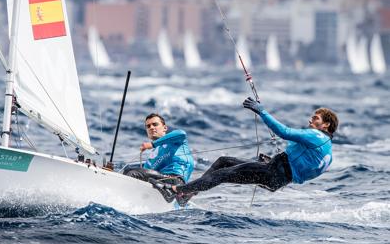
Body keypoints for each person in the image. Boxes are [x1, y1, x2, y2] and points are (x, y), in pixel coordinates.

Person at [165, 97, 338, 200]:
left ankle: (175, 191)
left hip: (273, 173)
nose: (310, 121)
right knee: (223, 162)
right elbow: (301, 170)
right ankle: (189, 193)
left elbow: (283, 132)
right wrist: (275, 163)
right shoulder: (327, 149)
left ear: (326, 125)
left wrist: (261, 111)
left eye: (315, 119)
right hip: (277, 176)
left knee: (220, 175)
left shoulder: (316, 136)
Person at [123, 113, 194, 205]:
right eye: (148, 126)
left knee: (132, 173)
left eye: (155, 124)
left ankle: (179, 194)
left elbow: (182, 133)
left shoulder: (175, 140)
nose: (151, 128)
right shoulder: (152, 157)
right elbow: (145, 172)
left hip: (177, 180)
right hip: (161, 181)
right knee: (128, 170)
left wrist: (152, 144)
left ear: (165, 128)